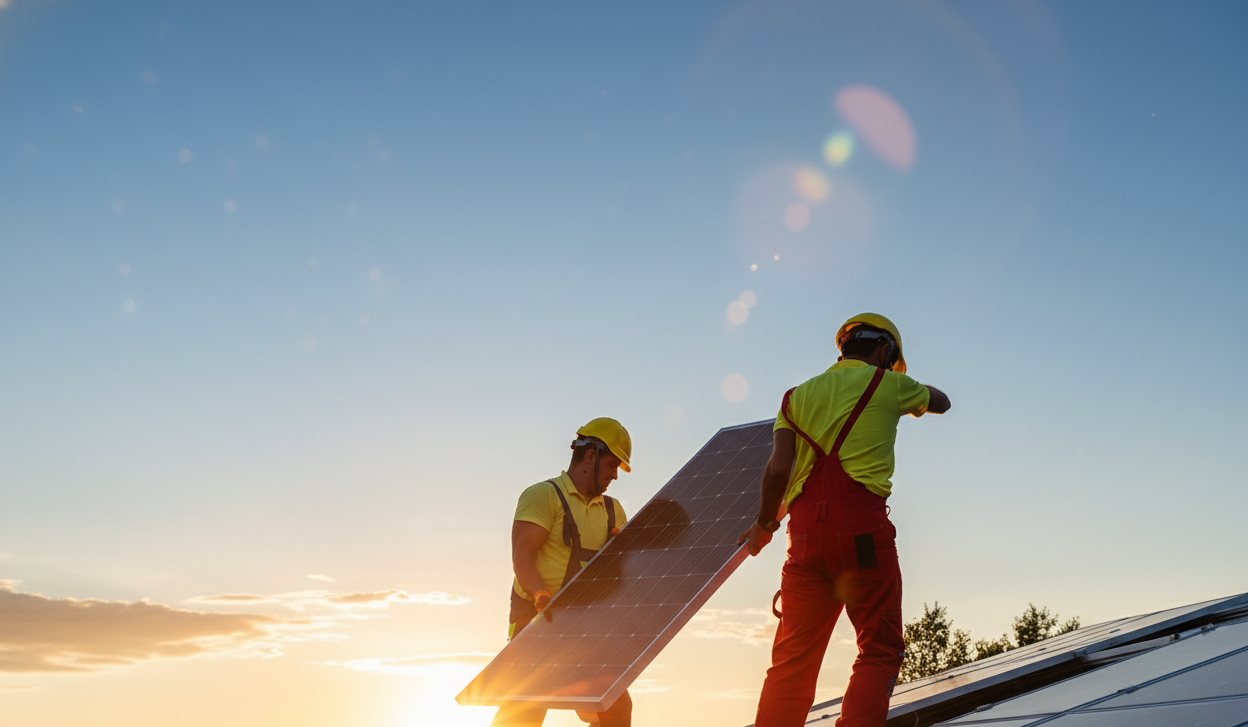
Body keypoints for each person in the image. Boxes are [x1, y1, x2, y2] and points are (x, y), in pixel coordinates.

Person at [738, 313, 951, 727]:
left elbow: (777, 469)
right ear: (884, 350)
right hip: (863, 534)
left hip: (802, 541)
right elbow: (942, 402)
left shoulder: (794, 397)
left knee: (792, 662)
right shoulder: (889, 383)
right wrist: (908, 386)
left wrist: (764, 526)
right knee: (879, 649)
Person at [492, 417, 635, 727]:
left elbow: (622, 569)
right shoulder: (543, 495)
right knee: (524, 708)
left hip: (584, 622)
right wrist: (541, 595)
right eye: (612, 465)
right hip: (537, 616)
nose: (614, 475)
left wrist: (624, 550)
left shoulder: (614, 511)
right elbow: (523, 556)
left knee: (615, 705)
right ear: (590, 456)